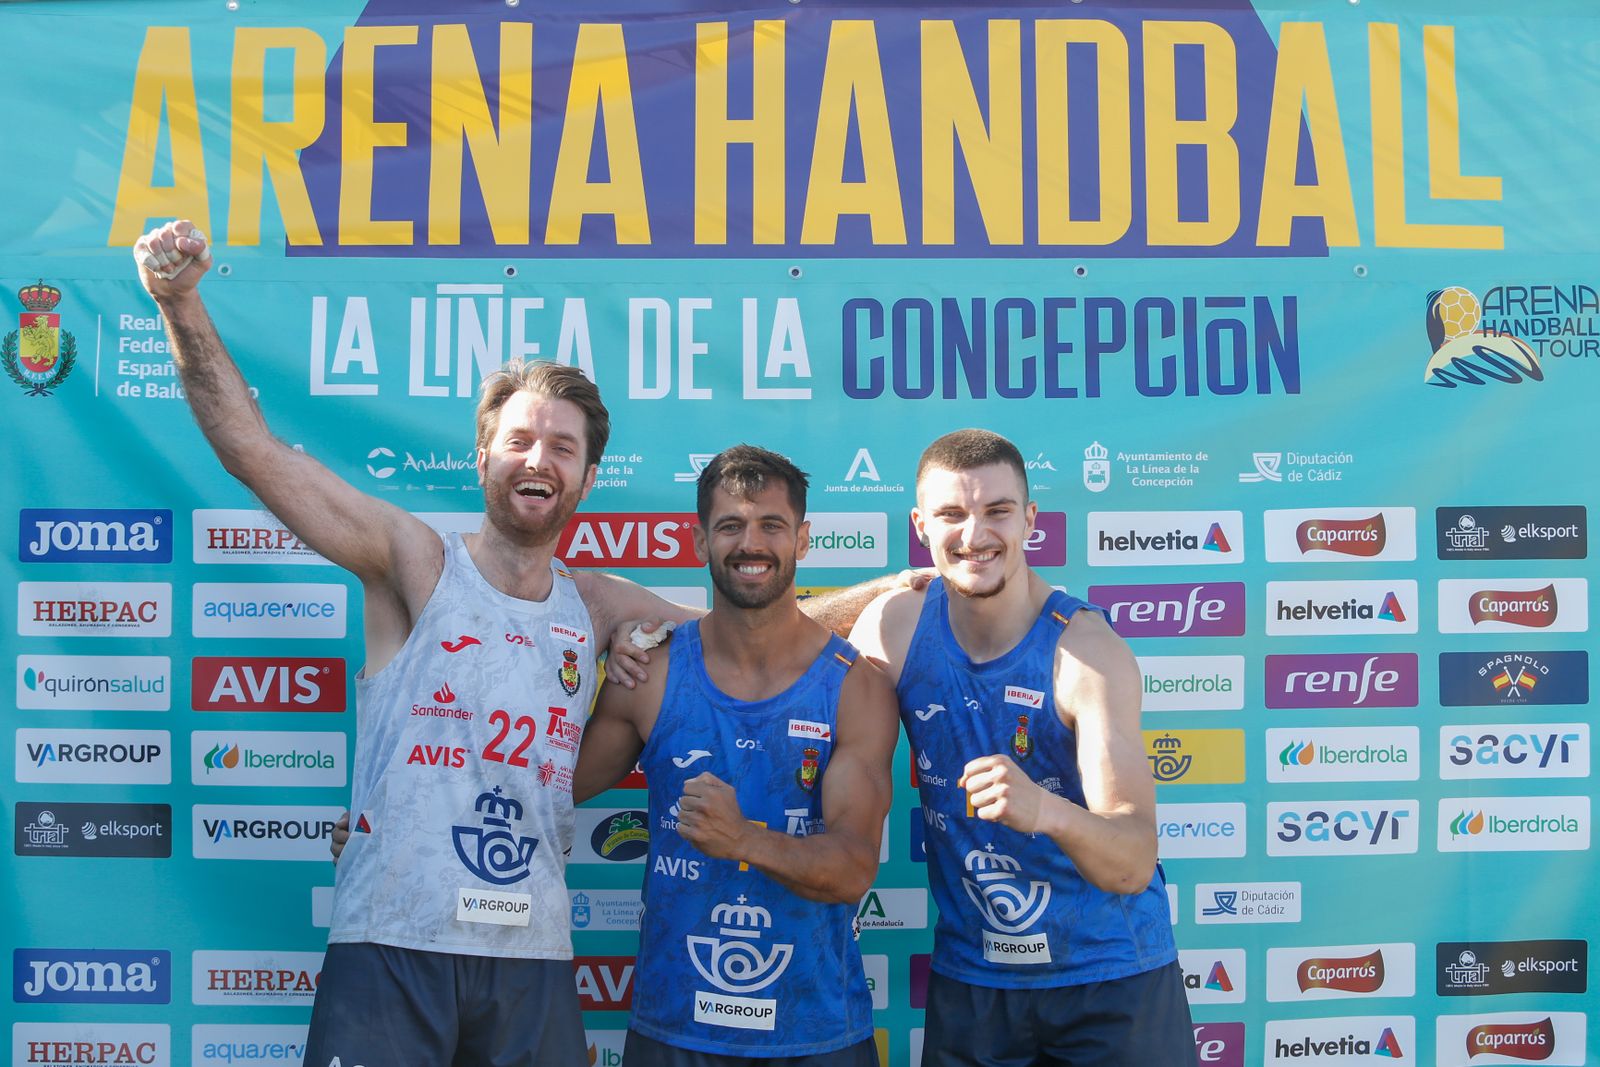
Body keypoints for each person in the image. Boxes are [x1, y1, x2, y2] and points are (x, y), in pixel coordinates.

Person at [133, 220, 698, 1067]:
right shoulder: (414, 561)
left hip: (532, 961)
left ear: (586, 477)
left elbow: (760, 637)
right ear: (483, 456)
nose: (535, 458)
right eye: (518, 439)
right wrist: (179, 303)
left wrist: (916, 592)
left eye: (560, 446)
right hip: (390, 946)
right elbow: (252, 451)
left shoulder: (597, 603)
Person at [848, 429, 1194, 1067]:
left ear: (1030, 519)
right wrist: (652, 631)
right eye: (952, 515)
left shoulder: (1086, 653)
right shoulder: (895, 626)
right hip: (974, 982)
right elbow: (772, 637)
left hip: (1110, 978)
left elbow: (1133, 861)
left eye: (997, 511)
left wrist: (1046, 811)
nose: (975, 534)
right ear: (921, 526)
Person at [573, 445, 900, 1066]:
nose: (751, 544)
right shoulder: (650, 672)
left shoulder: (856, 687)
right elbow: (546, 788)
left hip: (817, 1030)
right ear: (700, 541)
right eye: (730, 526)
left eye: (771, 525)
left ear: (802, 540)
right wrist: (395, 821)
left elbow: (855, 868)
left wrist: (744, 839)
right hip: (675, 1028)